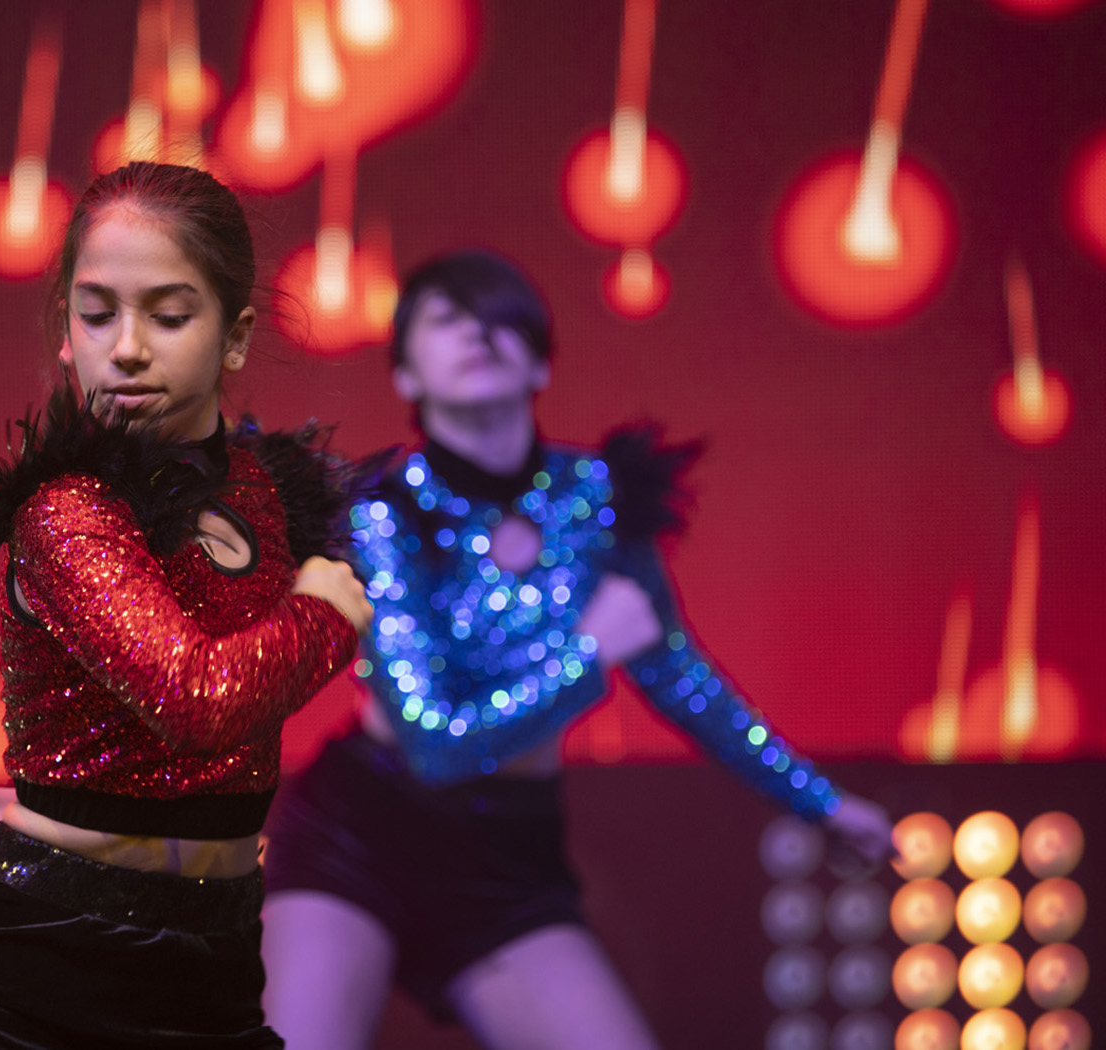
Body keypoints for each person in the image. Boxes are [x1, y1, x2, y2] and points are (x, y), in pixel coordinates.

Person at [258, 251, 895, 1050]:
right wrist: (586, 652)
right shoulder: (383, 515)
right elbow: (435, 746)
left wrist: (820, 802)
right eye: (447, 319)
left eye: (499, 318)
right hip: (361, 830)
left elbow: (683, 682)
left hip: (507, 855)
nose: (477, 333)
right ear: (406, 376)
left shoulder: (597, 500)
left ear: (541, 362)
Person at [0, 161, 372, 1049]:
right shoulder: (69, 510)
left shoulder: (265, 495)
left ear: (235, 336)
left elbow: (193, 760)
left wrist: (72, 814)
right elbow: (195, 701)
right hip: (30, 983)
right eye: (97, 313)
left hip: (211, 978)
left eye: (168, 315)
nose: (126, 348)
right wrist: (323, 619)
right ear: (65, 332)